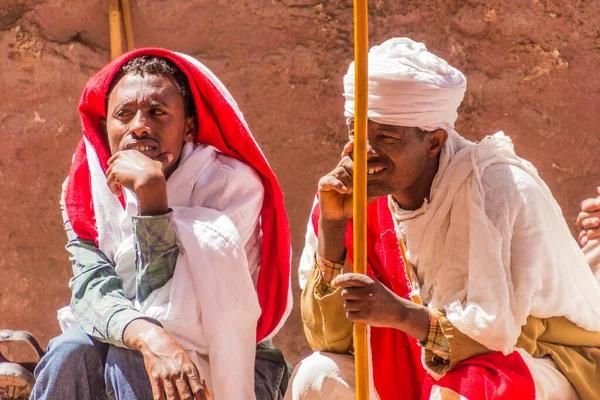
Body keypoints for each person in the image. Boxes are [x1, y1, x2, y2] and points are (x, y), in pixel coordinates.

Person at [287, 37, 600, 400]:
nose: (366, 151)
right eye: (356, 132)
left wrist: (403, 315)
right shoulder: (348, 194)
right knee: (316, 375)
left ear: (434, 141)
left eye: (386, 137)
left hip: (538, 362)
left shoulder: (496, 189)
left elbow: (502, 341)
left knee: (462, 389)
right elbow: (328, 340)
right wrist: (333, 227)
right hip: (420, 363)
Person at [31, 49, 292, 400]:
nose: (139, 125)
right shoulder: (86, 191)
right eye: (123, 114)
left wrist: (152, 195)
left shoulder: (232, 188)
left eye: (157, 112)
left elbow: (176, 309)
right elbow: (91, 289)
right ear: (105, 125)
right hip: (134, 341)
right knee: (70, 351)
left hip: (233, 358)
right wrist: (146, 335)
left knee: (131, 357)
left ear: (189, 127)